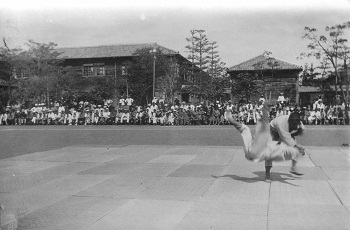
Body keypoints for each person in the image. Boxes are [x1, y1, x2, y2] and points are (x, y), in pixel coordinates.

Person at [226, 101, 305, 182]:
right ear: (289, 120)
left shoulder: (298, 122)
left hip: (255, 151)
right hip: (272, 133)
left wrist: (299, 137)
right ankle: (267, 174)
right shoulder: (281, 123)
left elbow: (297, 132)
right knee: (269, 152)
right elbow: (285, 137)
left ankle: (293, 168)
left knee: (297, 150)